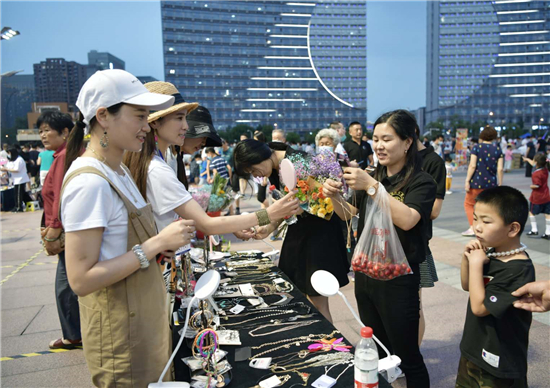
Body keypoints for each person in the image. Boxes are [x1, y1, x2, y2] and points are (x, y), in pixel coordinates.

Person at [60, 69, 194, 387]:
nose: (146, 127)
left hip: (143, 324)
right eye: (139, 116)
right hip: (122, 337)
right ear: (103, 116)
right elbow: (80, 279)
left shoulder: (118, 169)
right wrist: (156, 244)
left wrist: (164, 246)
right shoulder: (90, 182)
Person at [323, 109, 435, 387]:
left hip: (399, 279)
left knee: (407, 356)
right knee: (376, 349)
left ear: (408, 142)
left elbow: (409, 220)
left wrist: (372, 185)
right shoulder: (371, 177)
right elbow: (351, 215)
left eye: (388, 138)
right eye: (376, 138)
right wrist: (334, 197)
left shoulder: (421, 181)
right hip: (366, 274)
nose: (379, 145)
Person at [123, 82, 298, 242]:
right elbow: (206, 224)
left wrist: (233, 224)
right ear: (155, 122)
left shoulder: (156, 161)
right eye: (179, 118)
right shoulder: (157, 168)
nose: (185, 126)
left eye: (185, 118)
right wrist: (268, 214)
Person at [234, 139, 350, 323]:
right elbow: (284, 207)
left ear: (259, 156)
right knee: (300, 295)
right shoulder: (275, 168)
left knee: (318, 301)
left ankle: (330, 345)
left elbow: (321, 203)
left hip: (319, 236)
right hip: (299, 234)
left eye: (253, 169)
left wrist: (274, 217)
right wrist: (268, 227)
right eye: (250, 173)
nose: (255, 175)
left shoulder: (299, 162)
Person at [457, 186, 534, 388]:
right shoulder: (492, 253)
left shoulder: (517, 269)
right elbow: (468, 286)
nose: (477, 227)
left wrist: (475, 264)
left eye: (486, 221)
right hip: (473, 350)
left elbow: (479, 308)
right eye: (475, 218)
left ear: (512, 228)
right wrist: (467, 259)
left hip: (499, 361)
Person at [37, 111, 83, 350]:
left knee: (65, 286)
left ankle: (73, 334)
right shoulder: (64, 155)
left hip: (65, 231)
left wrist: (53, 231)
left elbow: (59, 198)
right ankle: (75, 331)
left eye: (47, 129)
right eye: (41, 131)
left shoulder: (65, 157)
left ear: (66, 132)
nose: (43, 135)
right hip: (68, 228)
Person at [415, 124, 446, 347]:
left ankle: (410, 357)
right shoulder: (394, 160)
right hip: (385, 243)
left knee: (413, 305)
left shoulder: (433, 162)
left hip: (415, 242)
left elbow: (434, 211)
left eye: (388, 138)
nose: (380, 145)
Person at [462, 126, 504, 237]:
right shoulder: (498, 149)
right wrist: (500, 182)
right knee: (489, 206)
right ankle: (489, 227)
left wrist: (467, 180)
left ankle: (473, 227)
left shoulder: (476, 148)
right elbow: (500, 168)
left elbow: (472, 165)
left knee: (469, 204)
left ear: (482, 136)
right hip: (491, 184)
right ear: (494, 136)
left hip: (476, 182)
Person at [523, 153, 550, 240]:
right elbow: (533, 163)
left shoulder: (536, 174)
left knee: (531, 212)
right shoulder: (545, 169)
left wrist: (531, 186)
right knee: (547, 214)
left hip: (537, 197)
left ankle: (534, 229)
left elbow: (537, 185)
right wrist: (527, 159)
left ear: (537, 162)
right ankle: (548, 232)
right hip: (547, 196)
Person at [1, 147, 31, 212]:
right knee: (20, 193)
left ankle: (19, 207)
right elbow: (9, 167)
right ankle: (22, 204)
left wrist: (6, 169)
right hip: (15, 180)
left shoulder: (19, 160)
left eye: (9, 153)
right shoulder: (12, 160)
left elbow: (17, 169)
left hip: (21, 179)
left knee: (19, 194)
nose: (8, 155)